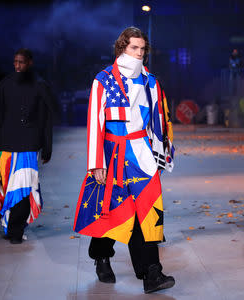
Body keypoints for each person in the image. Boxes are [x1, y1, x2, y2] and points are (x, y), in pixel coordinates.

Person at [73, 27, 175, 294]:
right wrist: (97, 163)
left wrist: (163, 152)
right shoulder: (103, 80)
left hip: (142, 154)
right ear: (122, 48)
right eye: (134, 48)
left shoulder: (150, 80)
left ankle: (151, 273)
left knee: (148, 212)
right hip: (113, 155)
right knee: (113, 210)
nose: (139, 54)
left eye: (143, 49)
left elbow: (158, 119)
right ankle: (101, 257)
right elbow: (95, 122)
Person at [0, 48, 55, 244]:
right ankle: (12, 227)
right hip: (6, 147)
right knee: (8, 188)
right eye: (15, 62)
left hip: (27, 147)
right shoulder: (5, 85)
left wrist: (47, 146)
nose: (17, 66)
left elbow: (45, 118)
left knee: (24, 187)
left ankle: (15, 230)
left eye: (21, 62)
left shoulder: (39, 86)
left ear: (30, 63)